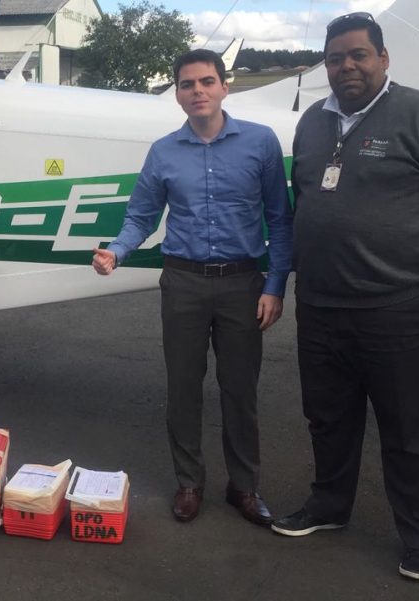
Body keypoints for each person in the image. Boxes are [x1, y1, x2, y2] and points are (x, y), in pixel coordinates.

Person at [269, 13, 419, 581]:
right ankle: (329, 507)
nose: (346, 66)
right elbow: (305, 199)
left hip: (401, 310)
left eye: (358, 55)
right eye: (335, 58)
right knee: (327, 420)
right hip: (322, 307)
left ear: (383, 59)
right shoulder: (313, 122)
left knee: (409, 433)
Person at [93, 49, 293, 527]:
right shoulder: (164, 152)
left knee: (239, 390)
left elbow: (280, 219)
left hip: (243, 283)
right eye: (187, 84)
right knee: (183, 389)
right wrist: (116, 251)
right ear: (178, 94)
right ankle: (189, 483)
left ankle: (244, 487)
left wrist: (275, 285)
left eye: (206, 81)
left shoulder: (261, 143)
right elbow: (141, 216)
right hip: (183, 283)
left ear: (225, 86)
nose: (197, 91)